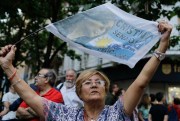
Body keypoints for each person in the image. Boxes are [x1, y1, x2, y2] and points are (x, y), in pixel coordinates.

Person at [0, 21, 172, 120]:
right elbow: (30, 96)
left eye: (99, 82)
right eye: (88, 82)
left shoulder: (118, 111)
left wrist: (163, 45)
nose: (94, 84)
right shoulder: (64, 114)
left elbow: (141, 82)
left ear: (106, 90)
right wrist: (8, 67)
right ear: (79, 93)